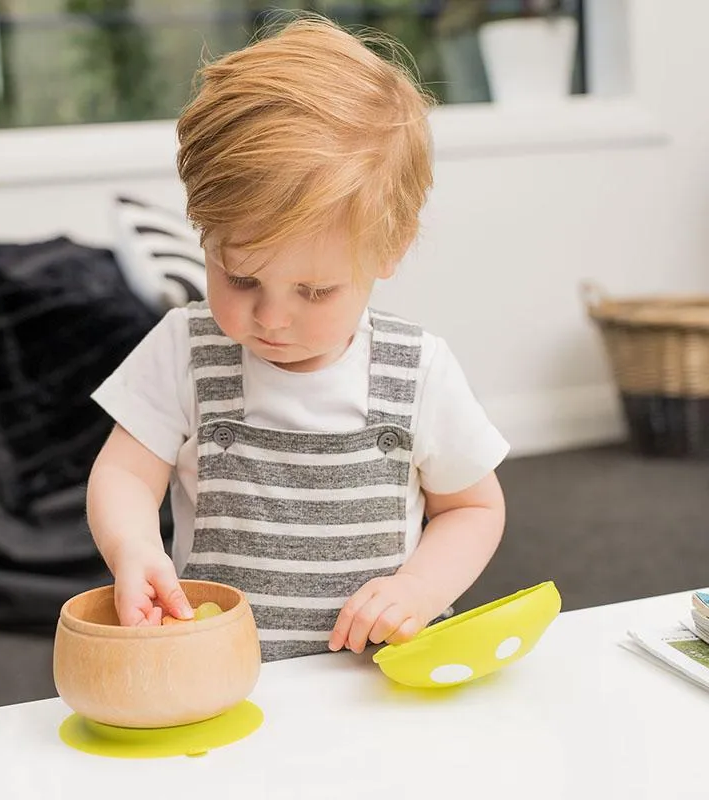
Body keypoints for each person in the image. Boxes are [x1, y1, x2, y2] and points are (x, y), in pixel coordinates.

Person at [86, 14, 509, 662]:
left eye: (314, 291)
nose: (272, 318)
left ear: (388, 250)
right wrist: (134, 547)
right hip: (219, 669)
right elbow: (123, 475)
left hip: (373, 675)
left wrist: (419, 588)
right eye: (242, 277)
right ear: (202, 231)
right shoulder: (185, 350)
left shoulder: (417, 370)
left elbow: (472, 510)